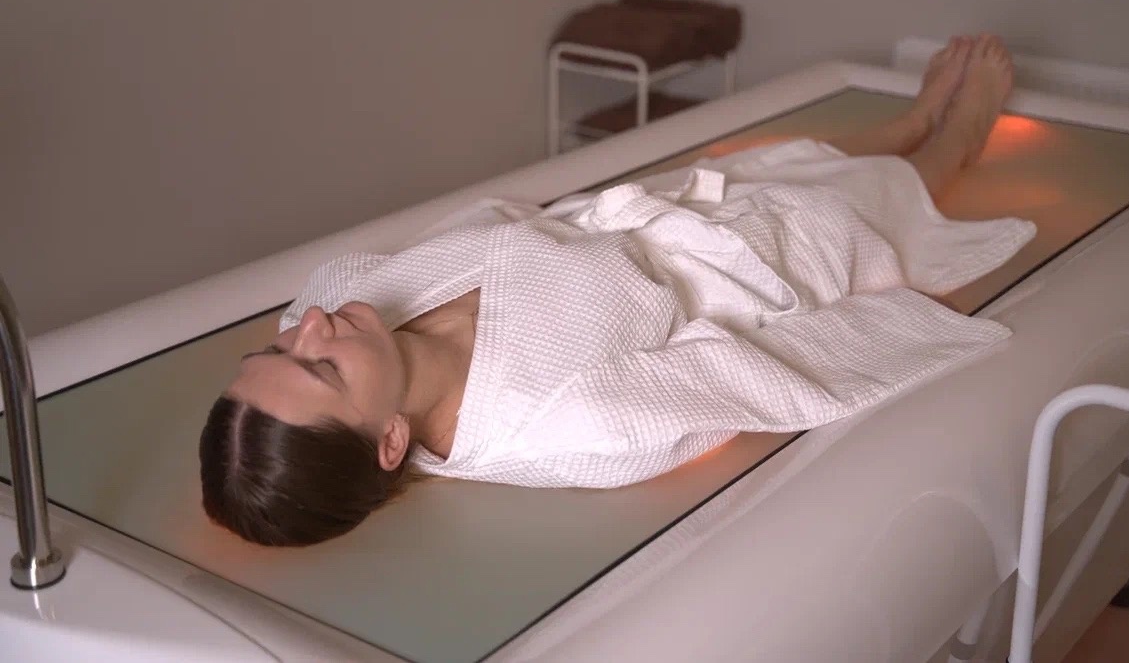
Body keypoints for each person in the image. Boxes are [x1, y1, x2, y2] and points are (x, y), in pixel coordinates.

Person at [201, 35, 1026, 547]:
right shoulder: (570, 422)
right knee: (872, 204)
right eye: (320, 367)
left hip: (643, 215)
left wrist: (307, 365)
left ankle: (896, 126)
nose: (311, 326)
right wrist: (898, 323)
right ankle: (950, 139)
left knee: (777, 163)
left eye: (279, 346)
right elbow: (754, 376)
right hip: (756, 273)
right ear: (390, 442)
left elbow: (334, 294)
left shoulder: (349, 303)